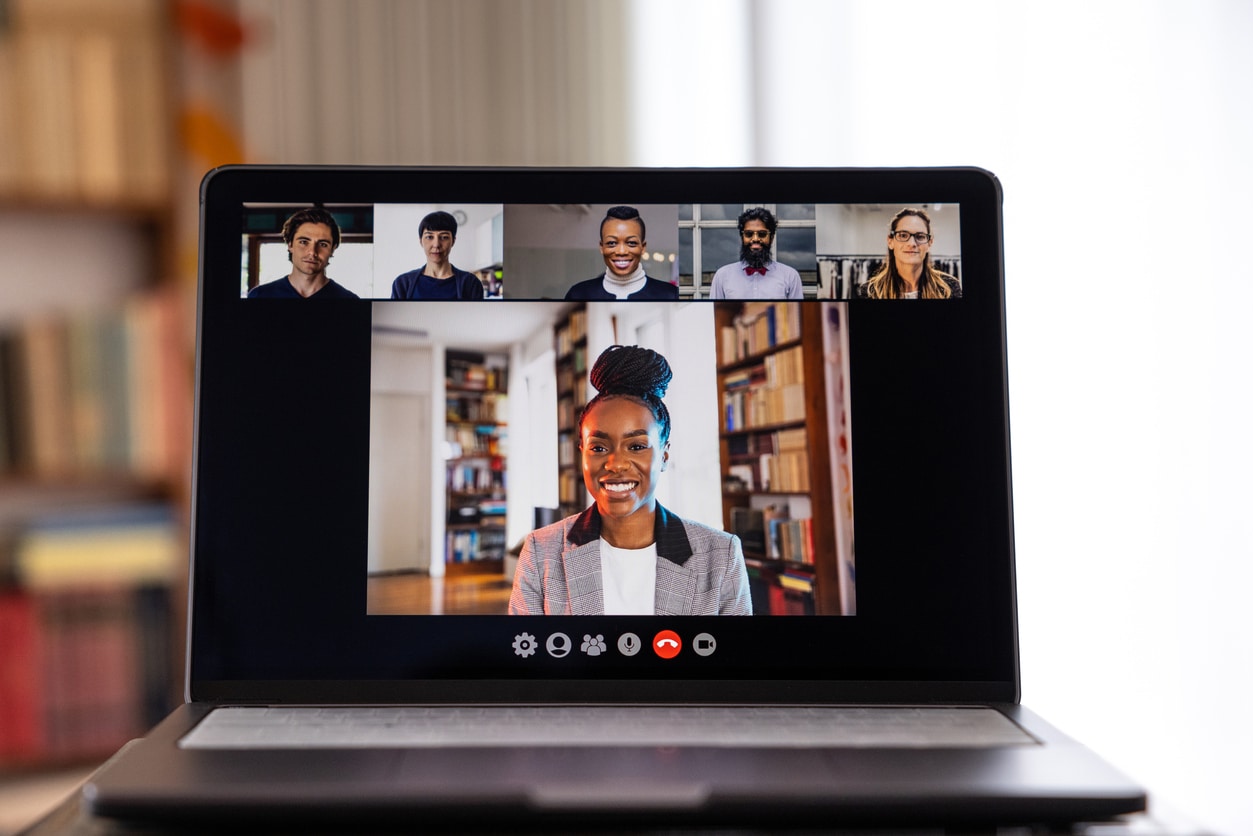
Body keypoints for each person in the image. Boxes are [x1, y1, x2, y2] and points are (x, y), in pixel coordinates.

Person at [510, 345, 752, 615]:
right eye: (599, 448)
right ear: (582, 454)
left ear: (664, 455)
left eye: (636, 446)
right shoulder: (540, 552)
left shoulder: (721, 556)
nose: (615, 464)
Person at [564, 206, 679, 300]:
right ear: (601, 247)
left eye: (631, 243)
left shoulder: (670, 294)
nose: (621, 251)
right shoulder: (578, 294)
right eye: (612, 243)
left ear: (643, 247)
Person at [248, 208, 359, 299]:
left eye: (323, 244)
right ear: (290, 245)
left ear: (333, 249)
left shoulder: (350, 300)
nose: (312, 252)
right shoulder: (259, 296)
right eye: (303, 242)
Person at [855, 207, 961, 299]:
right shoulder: (870, 292)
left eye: (920, 236)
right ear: (890, 241)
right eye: (903, 235)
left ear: (929, 243)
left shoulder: (949, 287)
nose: (912, 243)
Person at [709, 207, 803, 299]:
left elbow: (797, 313)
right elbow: (713, 312)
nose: (755, 239)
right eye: (749, 234)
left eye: (762, 234)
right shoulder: (722, 276)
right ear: (742, 237)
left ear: (772, 237)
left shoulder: (790, 276)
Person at [390, 210, 486, 300]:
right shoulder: (403, 283)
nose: (436, 244)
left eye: (444, 237)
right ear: (420, 241)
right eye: (429, 237)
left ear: (453, 241)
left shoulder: (470, 283)